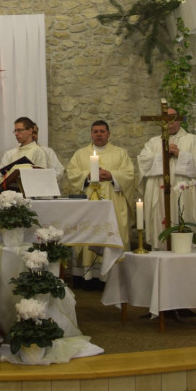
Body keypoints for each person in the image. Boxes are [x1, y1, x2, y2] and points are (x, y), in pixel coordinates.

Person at [66, 120, 137, 279]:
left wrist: (112, 175)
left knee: (111, 233)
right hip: (89, 203)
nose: (98, 135)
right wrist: (88, 176)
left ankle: (113, 276)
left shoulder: (120, 153)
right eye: (95, 132)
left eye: (102, 131)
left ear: (108, 134)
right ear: (91, 134)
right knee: (89, 233)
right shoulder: (80, 154)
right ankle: (88, 276)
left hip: (113, 201)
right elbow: (72, 174)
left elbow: (130, 175)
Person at [137, 108, 196, 249]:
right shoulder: (153, 142)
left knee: (183, 216)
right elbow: (143, 162)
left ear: (179, 120)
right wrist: (163, 155)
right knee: (161, 223)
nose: (169, 122)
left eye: (172, 118)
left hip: (183, 193)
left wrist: (180, 154)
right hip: (159, 194)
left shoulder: (192, 140)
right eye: (165, 119)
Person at [0, 116, 49, 181]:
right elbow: (0, 176)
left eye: (19, 130)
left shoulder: (37, 151)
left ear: (30, 131)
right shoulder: (12, 153)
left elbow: (41, 177)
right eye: (15, 131)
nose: (16, 134)